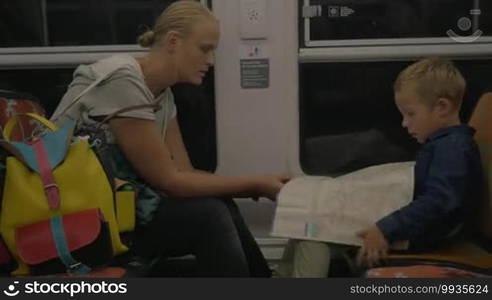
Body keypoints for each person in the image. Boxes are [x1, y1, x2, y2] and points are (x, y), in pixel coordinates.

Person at [50, 0, 289, 277]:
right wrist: (256, 185)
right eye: (205, 49)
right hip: (74, 215)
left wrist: (251, 186)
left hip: (111, 205)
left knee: (221, 204)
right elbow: (171, 182)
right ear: (174, 41)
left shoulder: (162, 95)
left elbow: (184, 172)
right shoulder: (121, 82)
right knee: (209, 216)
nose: (210, 61)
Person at [275, 57, 484, 277]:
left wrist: (385, 228)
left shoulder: (453, 149)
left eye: (410, 114)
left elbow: (439, 202)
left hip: (425, 236)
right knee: (304, 223)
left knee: (314, 234)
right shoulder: (443, 145)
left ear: (442, 107)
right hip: (415, 226)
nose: (404, 123)